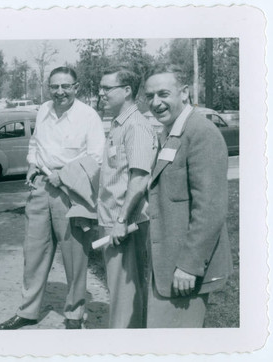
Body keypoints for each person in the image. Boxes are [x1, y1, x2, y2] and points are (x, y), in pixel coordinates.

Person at [0, 66, 105, 330]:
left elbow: (97, 157)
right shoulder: (44, 110)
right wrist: (33, 164)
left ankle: (74, 314)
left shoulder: (88, 116)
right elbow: (35, 143)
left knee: (74, 256)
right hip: (41, 189)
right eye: (54, 86)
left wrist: (65, 175)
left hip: (72, 192)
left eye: (66, 86)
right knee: (33, 253)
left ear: (76, 87)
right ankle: (28, 310)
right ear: (49, 87)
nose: (60, 92)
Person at [144, 63, 233, 328]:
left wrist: (189, 266)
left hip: (183, 270)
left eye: (163, 94)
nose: (155, 103)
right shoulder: (171, 131)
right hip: (165, 265)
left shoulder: (201, 133)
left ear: (184, 93)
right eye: (149, 96)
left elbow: (210, 209)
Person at [97, 66, 158, 328]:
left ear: (127, 91)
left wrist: (121, 220)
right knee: (121, 293)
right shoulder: (119, 124)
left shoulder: (136, 126)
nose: (101, 94)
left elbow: (139, 177)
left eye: (106, 88)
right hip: (114, 220)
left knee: (125, 296)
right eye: (101, 88)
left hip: (126, 224)